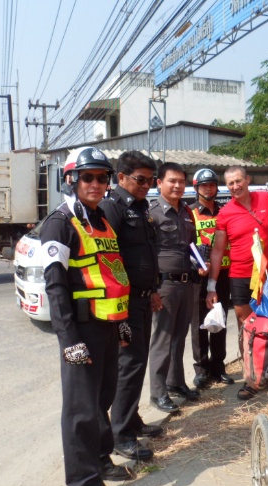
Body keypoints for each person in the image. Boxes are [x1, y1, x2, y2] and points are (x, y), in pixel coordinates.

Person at [40, 147, 133, 486]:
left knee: (101, 400)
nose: (96, 183)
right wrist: (68, 340)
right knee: (80, 410)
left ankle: (99, 460)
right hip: (81, 329)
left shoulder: (101, 221)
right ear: (72, 180)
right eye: (88, 177)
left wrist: (122, 322)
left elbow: (113, 276)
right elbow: (55, 285)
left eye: (102, 177)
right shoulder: (60, 222)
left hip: (108, 325)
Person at [205, 166, 268, 400]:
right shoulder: (225, 213)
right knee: (247, 327)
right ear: (226, 187)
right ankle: (251, 379)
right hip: (240, 276)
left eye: (239, 181)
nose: (235, 186)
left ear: (247, 180)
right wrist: (211, 285)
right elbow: (218, 251)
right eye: (230, 184)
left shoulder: (265, 198)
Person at [99, 151, 162, 463]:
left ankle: (132, 419)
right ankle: (121, 435)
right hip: (124, 303)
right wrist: (122, 302)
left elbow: (146, 254)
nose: (146, 185)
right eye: (141, 179)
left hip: (142, 298)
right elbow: (109, 260)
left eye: (150, 180)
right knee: (130, 365)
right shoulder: (113, 209)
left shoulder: (141, 208)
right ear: (121, 178)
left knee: (138, 360)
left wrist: (152, 289)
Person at [148, 162, 207, 412]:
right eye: (172, 181)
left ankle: (176, 383)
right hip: (164, 285)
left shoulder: (186, 212)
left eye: (181, 181)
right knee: (162, 339)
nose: (177, 185)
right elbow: (147, 253)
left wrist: (199, 264)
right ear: (159, 183)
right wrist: (152, 288)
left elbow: (191, 247)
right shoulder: (152, 213)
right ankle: (158, 393)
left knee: (179, 338)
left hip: (186, 283)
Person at [189, 168, 235, 389]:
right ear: (196, 188)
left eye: (212, 185)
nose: (209, 188)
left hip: (223, 273)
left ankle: (219, 367)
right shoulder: (190, 213)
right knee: (199, 324)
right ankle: (201, 369)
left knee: (220, 320)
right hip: (199, 275)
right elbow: (185, 244)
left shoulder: (225, 212)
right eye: (204, 185)